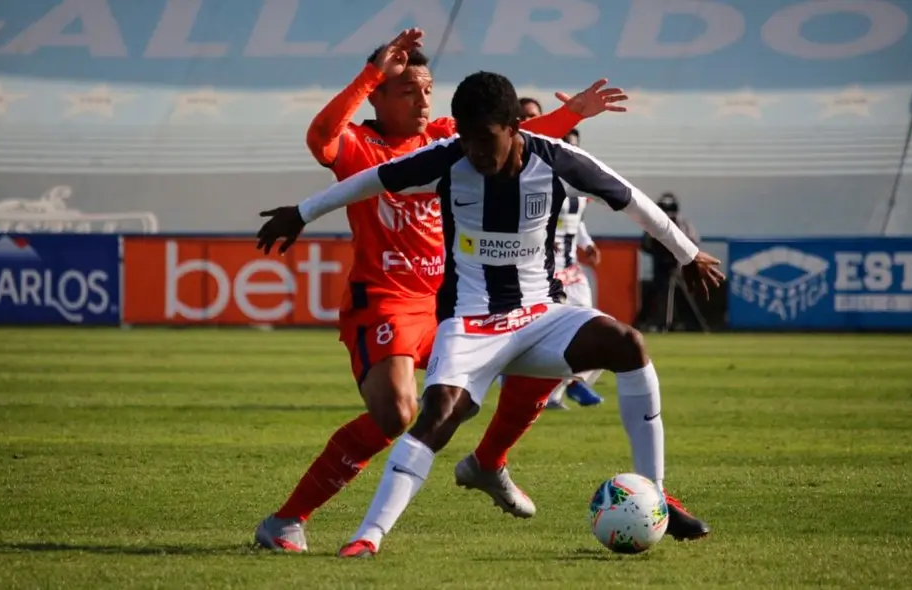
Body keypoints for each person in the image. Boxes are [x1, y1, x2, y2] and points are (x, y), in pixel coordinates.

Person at [256, 71, 724, 557]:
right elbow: (371, 180)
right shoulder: (449, 159)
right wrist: (304, 212)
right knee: (435, 415)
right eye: (466, 138)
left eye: (485, 139)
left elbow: (633, 199)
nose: (475, 151)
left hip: (539, 315)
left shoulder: (558, 160)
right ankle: (368, 538)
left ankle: (657, 491)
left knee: (627, 345)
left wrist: (689, 255)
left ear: (513, 129)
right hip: (470, 322)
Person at [519, 101, 603, 409]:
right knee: (547, 336)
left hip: (572, 270)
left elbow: (575, 221)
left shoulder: (580, 182)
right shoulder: (530, 174)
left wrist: (587, 242)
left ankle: (572, 384)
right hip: (541, 271)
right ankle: (552, 392)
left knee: (596, 327)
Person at [640, 192, 702, 331]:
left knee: (683, 297)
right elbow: (645, 245)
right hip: (660, 266)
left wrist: (681, 253)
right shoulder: (654, 224)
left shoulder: (682, 223)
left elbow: (693, 241)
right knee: (657, 294)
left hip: (677, 266)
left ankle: (693, 325)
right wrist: (659, 252)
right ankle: (657, 323)